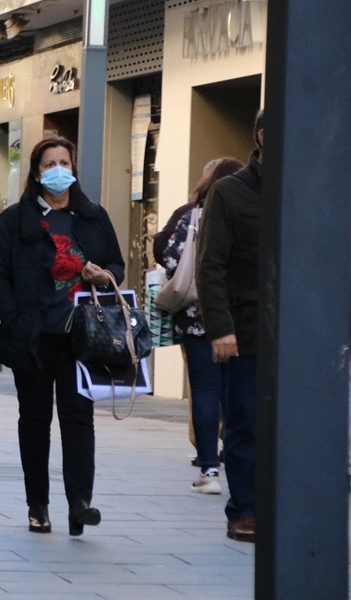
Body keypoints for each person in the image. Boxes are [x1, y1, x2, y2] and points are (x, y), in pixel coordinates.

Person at [0, 136, 124, 537]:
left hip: (82, 336)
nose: (58, 170)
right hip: (34, 337)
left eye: (64, 161)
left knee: (79, 418)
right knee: (36, 419)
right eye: (49, 164)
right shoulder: (15, 220)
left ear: (73, 167)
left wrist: (104, 275)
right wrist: (15, 318)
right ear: (36, 171)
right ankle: (37, 506)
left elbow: (116, 264)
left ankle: (80, 503)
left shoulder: (92, 216)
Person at [153, 156, 244, 496]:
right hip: (240, 320)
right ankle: (239, 463)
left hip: (196, 318)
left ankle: (209, 469)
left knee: (205, 392)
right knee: (238, 393)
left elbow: (169, 255)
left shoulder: (192, 216)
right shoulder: (249, 213)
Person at [196, 110, 264, 543]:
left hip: (302, 334)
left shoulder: (313, 186)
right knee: (246, 422)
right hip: (248, 330)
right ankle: (245, 510)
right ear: (262, 135)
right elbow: (211, 266)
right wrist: (221, 328)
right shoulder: (229, 192)